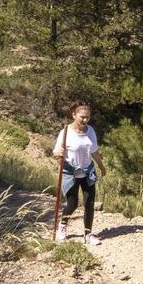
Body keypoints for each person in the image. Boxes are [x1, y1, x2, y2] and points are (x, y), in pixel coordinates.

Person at [53, 102, 103, 246]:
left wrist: (101, 166)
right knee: (72, 204)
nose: (85, 120)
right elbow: (56, 152)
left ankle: (88, 234)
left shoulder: (91, 131)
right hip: (70, 173)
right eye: (82, 117)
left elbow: (94, 150)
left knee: (90, 203)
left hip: (88, 171)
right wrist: (59, 154)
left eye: (87, 117)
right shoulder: (65, 132)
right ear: (74, 115)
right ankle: (62, 226)